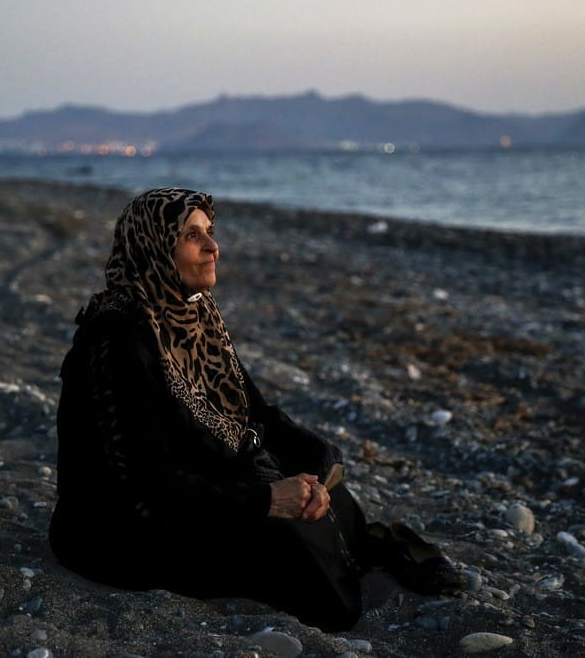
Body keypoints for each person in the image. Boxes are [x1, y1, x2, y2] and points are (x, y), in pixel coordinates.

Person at [49, 187, 461, 631]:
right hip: (125, 526)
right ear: (154, 248)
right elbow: (146, 479)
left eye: (210, 231)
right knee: (300, 554)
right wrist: (266, 499)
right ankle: (357, 554)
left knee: (326, 491)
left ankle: (361, 544)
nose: (213, 247)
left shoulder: (192, 314)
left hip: (196, 479)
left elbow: (254, 412)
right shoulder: (117, 339)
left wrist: (318, 460)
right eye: (192, 236)